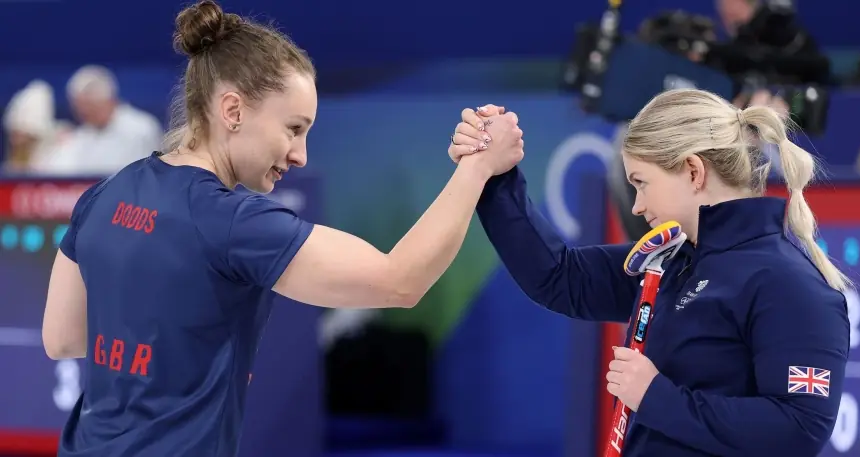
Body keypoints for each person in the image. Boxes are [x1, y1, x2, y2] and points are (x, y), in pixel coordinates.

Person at [41, 1, 523, 456]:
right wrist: (477, 168)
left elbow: (61, 339)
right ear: (232, 111)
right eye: (294, 129)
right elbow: (401, 280)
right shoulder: (233, 222)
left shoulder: (103, 196)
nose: (301, 154)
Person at [448, 89, 849, 457]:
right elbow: (560, 277)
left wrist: (654, 395)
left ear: (693, 171)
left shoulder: (788, 284)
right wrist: (492, 173)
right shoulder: (673, 262)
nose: (636, 206)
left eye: (641, 183)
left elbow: (799, 429)